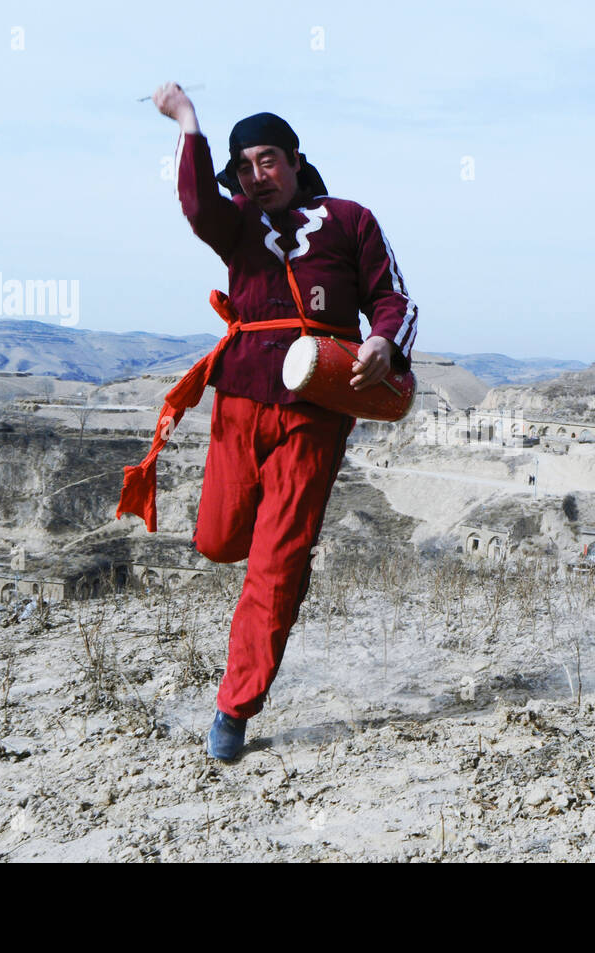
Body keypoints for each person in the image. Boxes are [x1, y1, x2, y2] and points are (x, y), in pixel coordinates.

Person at [121, 82, 417, 761]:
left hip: (316, 409)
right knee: (220, 539)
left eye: (268, 160)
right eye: (245, 166)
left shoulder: (350, 220)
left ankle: (235, 705)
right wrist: (188, 121)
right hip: (240, 400)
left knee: (278, 559)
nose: (258, 176)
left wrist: (381, 342)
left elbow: (392, 297)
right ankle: (269, 540)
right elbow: (196, 202)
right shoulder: (236, 225)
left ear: (294, 159)